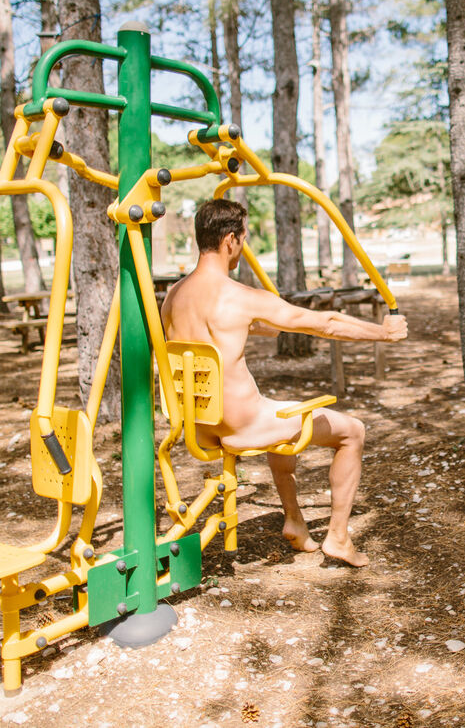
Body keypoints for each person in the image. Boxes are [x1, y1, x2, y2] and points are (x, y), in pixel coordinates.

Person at [160, 198, 407, 567]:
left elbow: (234, 331)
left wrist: (264, 322)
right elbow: (326, 323)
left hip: (198, 423)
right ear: (231, 240)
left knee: (281, 412)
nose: (242, 246)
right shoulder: (240, 296)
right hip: (243, 423)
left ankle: (294, 521)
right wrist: (382, 334)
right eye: (242, 238)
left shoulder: (174, 295)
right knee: (352, 431)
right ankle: (338, 538)